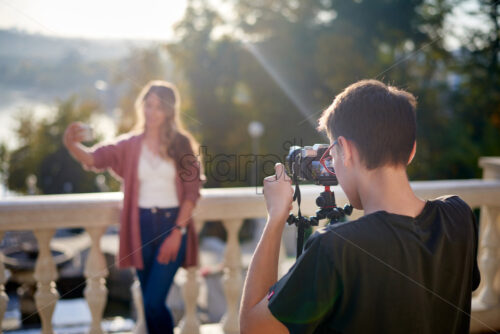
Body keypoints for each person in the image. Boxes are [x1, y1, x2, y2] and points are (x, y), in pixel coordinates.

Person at [240, 79, 480, 334]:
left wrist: (276, 217)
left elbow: (253, 329)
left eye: (332, 154)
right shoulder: (458, 216)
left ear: (346, 150)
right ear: (411, 151)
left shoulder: (336, 248)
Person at [63, 80, 203, 334]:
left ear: (170, 110)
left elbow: (192, 194)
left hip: (172, 225)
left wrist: (177, 233)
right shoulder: (130, 144)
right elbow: (95, 158)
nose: (151, 112)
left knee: (153, 300)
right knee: (149, 304)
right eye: (148, 105)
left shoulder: (182, 144)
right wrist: (72, 145)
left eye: (158, 107)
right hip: (139, 227)